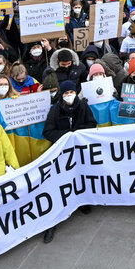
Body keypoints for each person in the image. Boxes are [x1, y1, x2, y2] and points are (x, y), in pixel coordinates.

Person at [39, 82, 95, 243]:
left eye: (71, 91)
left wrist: (77, 134)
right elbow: (48, 132)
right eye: (66, 93)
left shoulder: (83, 107)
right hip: (62, 152)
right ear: (61, 95)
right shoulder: (55, 110)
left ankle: (83, 202)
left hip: (80, 150)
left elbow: (91, 124)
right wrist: (67, 135)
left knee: (81, 176)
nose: (69, 95)